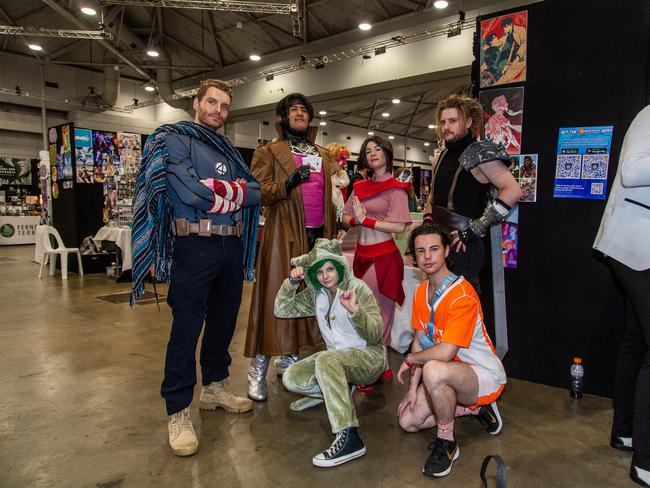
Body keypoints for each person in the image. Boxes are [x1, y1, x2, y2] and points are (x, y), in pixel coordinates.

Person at [130, 79, 261, 456]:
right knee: (186, 329)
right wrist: (231, 191)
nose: (218, 110)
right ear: (196, 102)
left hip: (230, 246)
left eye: (224, 105)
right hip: (193, 245)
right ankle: (178, 410)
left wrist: (220, 189)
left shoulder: (228, 150)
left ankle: (214, 387)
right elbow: (189, 192)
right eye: (212, 102)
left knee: (223, 321)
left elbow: (254, 193)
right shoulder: (174, 138)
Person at [245, 93, 337, 401]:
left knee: (310, 301)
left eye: (304, 110)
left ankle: (291, 357)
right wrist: (288, 184)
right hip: (283, 234)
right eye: (292, 110)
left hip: (317, 236)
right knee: (275, 297)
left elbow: (329, 196)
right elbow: (257, 190)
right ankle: (259, 367)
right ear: (283, 117)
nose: (299, 114)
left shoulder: (322, 153)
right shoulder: (268, 151)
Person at [397, 221, 506, 478]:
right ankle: (476, 409)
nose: (427, 256)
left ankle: (447, 442)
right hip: (449, 372)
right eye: (420, 251)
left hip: (482, 375)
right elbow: (419, 340)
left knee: (435, 369)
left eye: (434, 249)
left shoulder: (462, 295)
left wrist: (412, 360)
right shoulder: (422, 291)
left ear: (447, 251)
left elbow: (443, 353)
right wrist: (412, 390)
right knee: (408, 421)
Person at [274, 238, 385, 467]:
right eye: (320, 271)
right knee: (291, 377)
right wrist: (291, 283)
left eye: (330, 269)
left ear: (340, 267)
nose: (326, 276)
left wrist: (355, 311)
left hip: (369, 357)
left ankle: (349, 437)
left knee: (326, 358)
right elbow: (282, 309)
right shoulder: (317, 294)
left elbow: (376, 335)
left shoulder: (358, 289)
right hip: (335, 359)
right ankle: (336, 391)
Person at [594, 105, 650, 487]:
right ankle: (646, 460)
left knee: (636, 340)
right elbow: (633, 172)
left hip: (637, 247)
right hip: (635, 244)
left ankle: (626, 431)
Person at [423, 94, 523, 293]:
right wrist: (427, 224)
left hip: (465, 246)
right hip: (440, 242)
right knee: (439, 303)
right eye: (442, 122)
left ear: (468, 122)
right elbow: (433, 196)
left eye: (453, 121)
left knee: (464, 306)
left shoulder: (479, 152)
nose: (446, 127)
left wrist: (475, 229)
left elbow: (513, 190)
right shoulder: (443, 153)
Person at [342, 136, 412, 382]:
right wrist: (354, 220)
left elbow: (399, 226)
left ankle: (373, 368)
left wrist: (366, 220)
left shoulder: (396, 188)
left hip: (384, 257)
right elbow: (345, 217)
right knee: (360, 312)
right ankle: (378, 366)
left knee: (380, 314)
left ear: (387, 153)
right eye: (367, 150)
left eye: (377, 149)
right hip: (361, 255)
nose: (372, 153)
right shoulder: (359, 187)